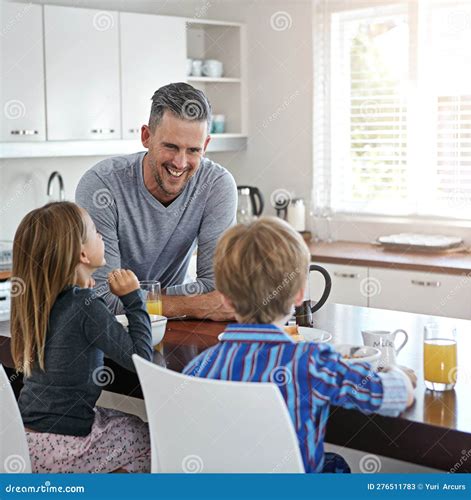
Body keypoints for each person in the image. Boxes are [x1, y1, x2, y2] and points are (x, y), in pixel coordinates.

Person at [183, 217, 416, 473]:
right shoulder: (312, 362)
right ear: (300, 294)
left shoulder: (199, 367)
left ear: (225, 299)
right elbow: (396, 396)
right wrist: (399, 374)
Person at [11, 202, 153, 473]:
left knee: (125, 422)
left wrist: (83, 290)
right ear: (82, 255)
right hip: (65, 446)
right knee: (146, 439)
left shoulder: (38, 301)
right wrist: (134, 298)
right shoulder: (84, 305)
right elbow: (142, 360)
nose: (101, 236)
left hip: (27, 442)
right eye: (95, 231)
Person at [76, 82, 237, 320]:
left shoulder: (216, 186)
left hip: (175, 331)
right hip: (109, 334)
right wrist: (194, 304)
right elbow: (103, 300)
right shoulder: (102, 185)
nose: (180, 163)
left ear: (205, 146)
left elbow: (216, 290)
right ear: (146, 136)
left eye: (193, 150)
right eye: (171, 147)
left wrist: (135, 298)